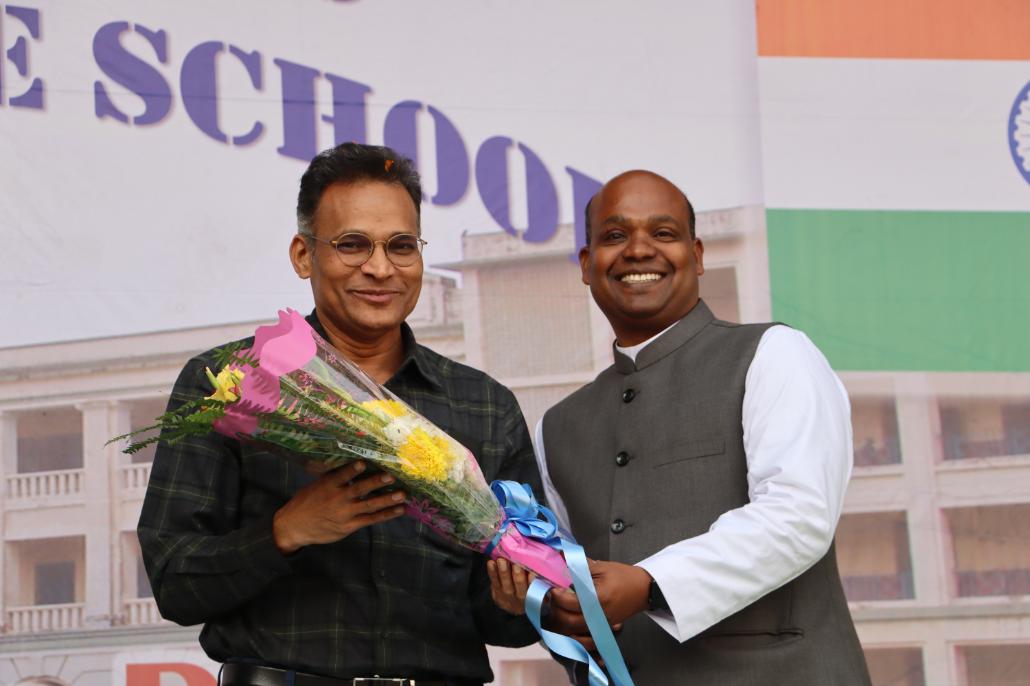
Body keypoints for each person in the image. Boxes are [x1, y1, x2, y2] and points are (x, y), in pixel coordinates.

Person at [138, 143, 543, 686]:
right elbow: (174, 583)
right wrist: (286, 530)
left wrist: (517, 599)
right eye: (352, 245)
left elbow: (507, 625)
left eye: (401, 246)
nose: (380, 268)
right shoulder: (229, 384)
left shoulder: (484, 405)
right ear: (303, 255)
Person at [523, 170, 871, 683]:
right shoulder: (557, 427)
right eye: (615, 235)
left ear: (698, 254)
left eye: (662, 233)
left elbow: (799, 515)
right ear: (586, 264)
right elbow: (573, 582)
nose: (638, 250)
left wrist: (648, 583)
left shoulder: (773, 354)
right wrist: (558, 614)